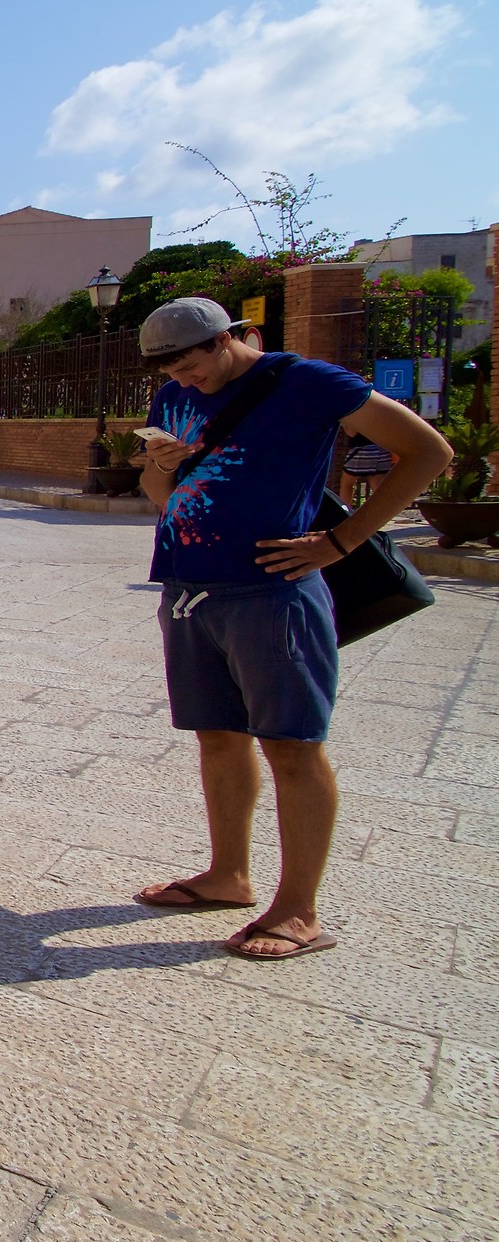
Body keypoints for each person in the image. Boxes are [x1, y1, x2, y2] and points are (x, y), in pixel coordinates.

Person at [133, 299, 451, 961]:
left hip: (272, 592)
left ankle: (300, 911)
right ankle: (229, 876)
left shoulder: (307, 382)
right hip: (190, 587)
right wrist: (162, 463)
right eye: (172, 373)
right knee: (217, 738)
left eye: (193, 365)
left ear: (227, 340)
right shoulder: (173, 395)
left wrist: (343, 541)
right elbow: (165, 500)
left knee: (291, 746)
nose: (185, 382)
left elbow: (427, 450)